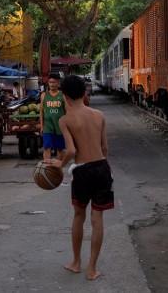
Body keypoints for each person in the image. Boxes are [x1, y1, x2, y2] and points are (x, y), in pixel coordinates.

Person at [48, 75, 113, 281]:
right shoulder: (99, 115)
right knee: (97, 218)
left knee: (79, 215)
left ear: (64, 96)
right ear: (84, 93)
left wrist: (60, 164)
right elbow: (104, 148)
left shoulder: (65, 120)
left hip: (83, 170)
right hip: (101, 167)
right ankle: (92, 268)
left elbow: (71, 150)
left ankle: (76, 262)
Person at [40, 73, 66, 160]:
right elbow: (41, 112)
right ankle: (47, 169)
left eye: (54, 82)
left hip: (60, 126)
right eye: (50, 82)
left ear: (58, 83)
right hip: (48, 126)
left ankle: (57, 169)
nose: (52, 84)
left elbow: (67, 111)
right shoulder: (44, 95)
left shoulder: (63, 95)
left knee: (60, 149)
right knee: (47, 147)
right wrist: (41, 126)